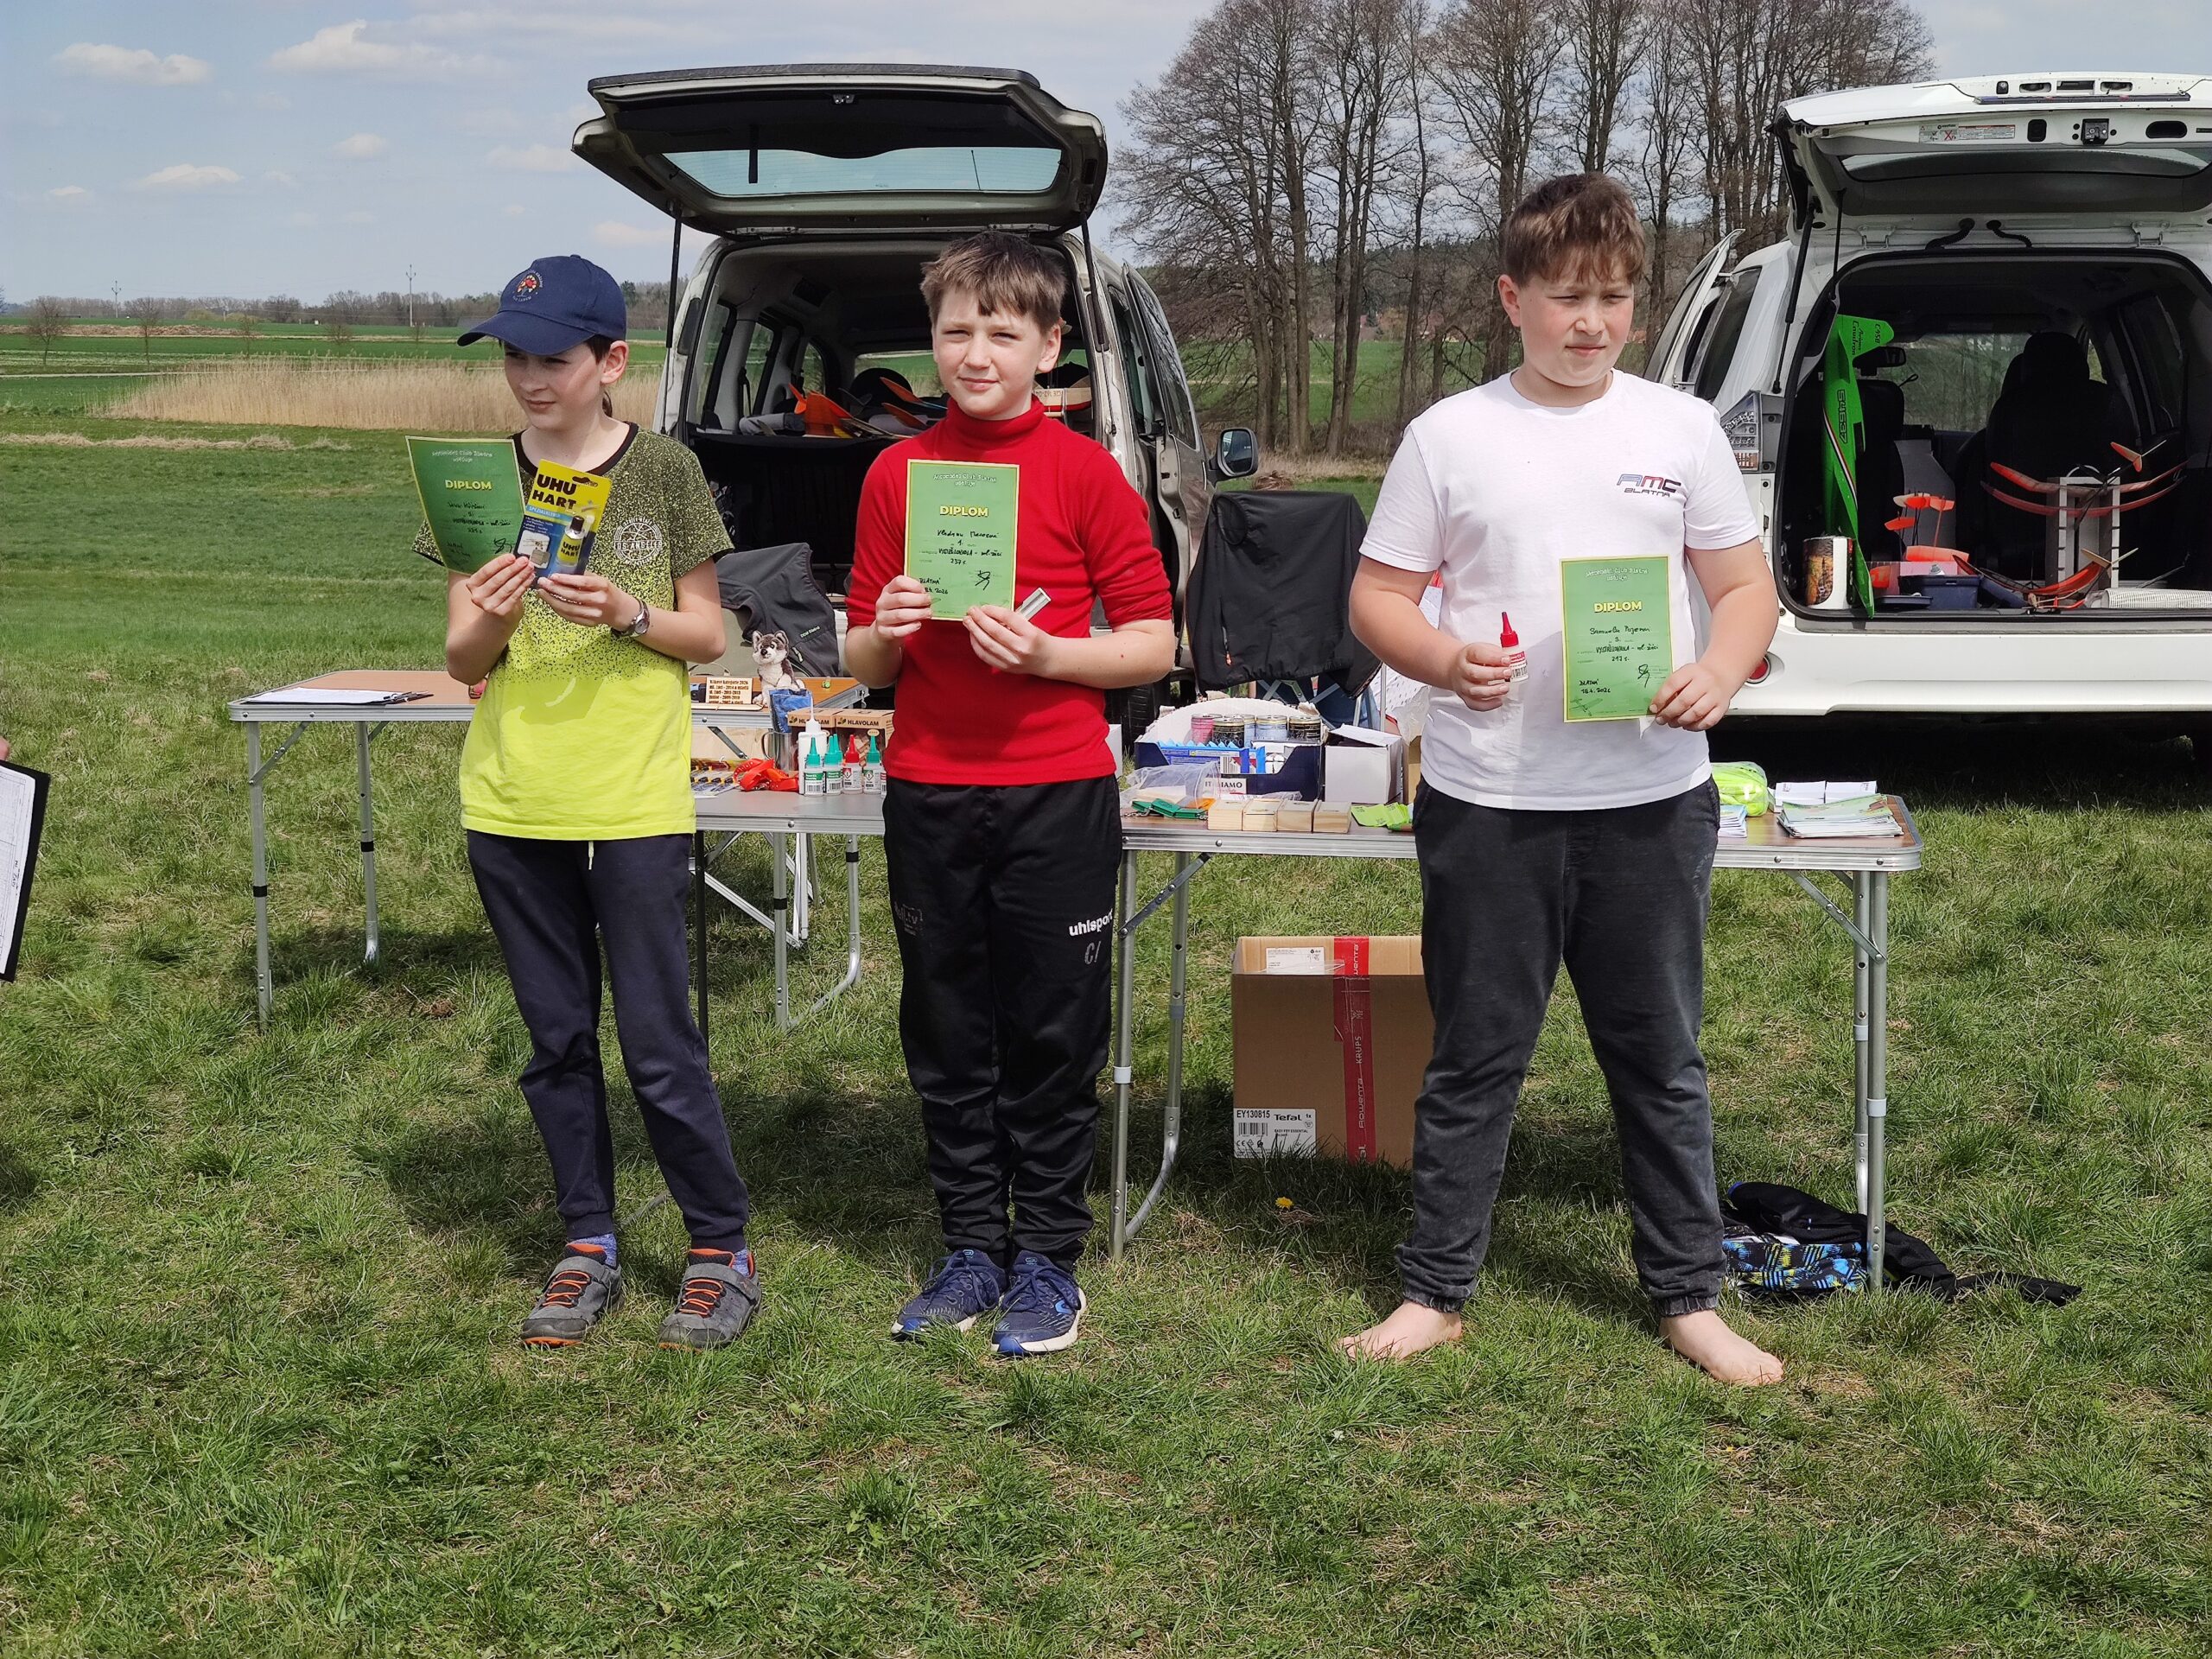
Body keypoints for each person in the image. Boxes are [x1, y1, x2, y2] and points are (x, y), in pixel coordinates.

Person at [1341, 175, 1785, 1385]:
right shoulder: (1449, 435)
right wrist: (1444, 661)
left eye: (1613, 298)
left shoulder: (1681, 430)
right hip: (1490, 801)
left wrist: (1720, 670)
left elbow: (1745, 588)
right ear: (1511, 298)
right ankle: (1434, 1291)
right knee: (1475, 1056)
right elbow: (1377, 597)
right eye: (1565, 297)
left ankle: (1689, 1296)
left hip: (1651, 801)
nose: (1590, 322)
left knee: (1660, 1059)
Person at [844, 232, 1174, 1356]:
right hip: (931, 789)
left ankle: (1047, 1261)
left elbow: (1151, 644)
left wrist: (1048, 656)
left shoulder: (1086, 475)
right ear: (931, 343)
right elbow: (863, 659)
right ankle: (971, 1248)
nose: (975, 353)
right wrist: (885, 630)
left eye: (1001, 331)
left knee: (1050, 1030)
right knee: (947, 1028)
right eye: (955, 331)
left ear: (1048, 345)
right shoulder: (896, 475)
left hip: (1055, 792)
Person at [429, 255, 760, 1351]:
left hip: (632, 798)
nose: (529, 377)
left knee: (658, 1040)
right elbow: (460, 656)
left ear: (611, 362)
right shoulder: (481, 478)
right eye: (513, 357)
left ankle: (718, 1249)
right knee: (556, 1040)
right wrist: (494, 610)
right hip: (512, 797)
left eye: (551, 357)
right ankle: (588, 1243)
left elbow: (708, 636)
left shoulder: (662, 470)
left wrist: (626, 612)